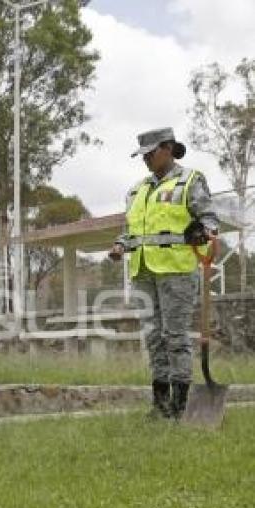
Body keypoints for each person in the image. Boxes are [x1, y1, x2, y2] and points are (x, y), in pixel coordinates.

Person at [109, 127, 219, 419]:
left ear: (168, 149)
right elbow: (130, 230)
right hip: (143, 271)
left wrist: (202, 232)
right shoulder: (137, 190)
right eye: (142, 155)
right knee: (153, 337)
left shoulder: (190, 181)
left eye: (150, 153)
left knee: (175, 336)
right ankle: (160, 405)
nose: (145, 160)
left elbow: (208, 219)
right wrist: (120, 245)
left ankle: (180, 406)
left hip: (177, 271)